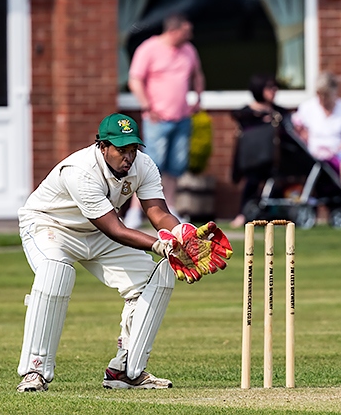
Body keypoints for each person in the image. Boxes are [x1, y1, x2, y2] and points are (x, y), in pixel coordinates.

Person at [15, 113, 231, 392]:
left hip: (95, 232)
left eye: (132, 149)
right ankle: (35, 371)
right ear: (102, 146)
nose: (127, 157)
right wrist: (158, 245)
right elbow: (115, 228)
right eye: (120, 150)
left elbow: (157, 211)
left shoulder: (144, 165)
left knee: (156, 275)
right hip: (49, 225)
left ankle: (126, 370)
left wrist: (181, 235)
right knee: (55, 272)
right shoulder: (80, 171)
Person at [124, 13, 205, 228]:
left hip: (182, 118)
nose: (190, 35)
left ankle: (171, 209)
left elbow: (197, 74)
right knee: (150, 166)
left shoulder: (189, 50)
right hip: (157, 120)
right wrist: (147, 106)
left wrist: (197, 97)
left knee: (174, 167)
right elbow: (135, 80)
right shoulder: (148, 49)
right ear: (174, 30)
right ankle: (135, 211)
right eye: (187, 31)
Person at [229, 74, 289, 228]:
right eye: (270, 88)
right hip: (253, 159)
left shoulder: (279, 112)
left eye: (275, 87)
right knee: (252, 182)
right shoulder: (246, 113)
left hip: (275, 158)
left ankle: (275, 215)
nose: (274, 91)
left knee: (278, 183)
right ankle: (242, 214)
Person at [292, 71, 341, 210]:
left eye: (325, 94)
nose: (322, 98)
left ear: (334, 92)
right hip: (313, 152)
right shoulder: (307, 108)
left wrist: (334, 151)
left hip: (336, 151)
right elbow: (300, 134)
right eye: (319, 94)